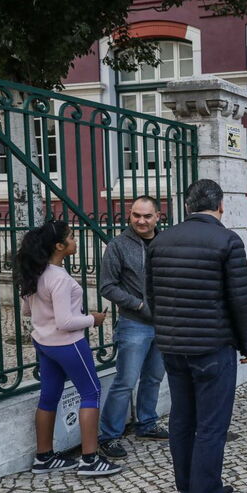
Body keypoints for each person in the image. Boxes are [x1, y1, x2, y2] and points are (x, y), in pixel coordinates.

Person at [147, 179, 247, 493]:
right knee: (211, 427)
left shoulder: (161, 240)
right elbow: (240, 299)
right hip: (212, 346)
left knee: (183, 420)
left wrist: (166, 332)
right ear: (220, 206)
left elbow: (152, 294)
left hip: (173, 345)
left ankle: (191, 491)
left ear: (187, 204)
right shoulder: (227, 240)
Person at [16, 220, 121, 478]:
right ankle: (90, 459)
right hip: (68, 344)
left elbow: (27, 310)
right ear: (60, 246)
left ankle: (43, 457)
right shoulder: (59, 278)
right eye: (72, 237)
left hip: (44, 343)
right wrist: (92, 319)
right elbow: (64, 322)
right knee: (91, 392)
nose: (75, 241)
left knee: (49, 395)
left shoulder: (36, 272)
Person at [97, 196, 168, 459]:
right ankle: (109, 436)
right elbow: (107, 286)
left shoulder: (165, 242)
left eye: (147, 216)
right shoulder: (117, 245)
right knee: (125, 382)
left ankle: (147, 424)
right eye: (136, 215)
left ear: (157, 216)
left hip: (163, 323)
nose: (140, 220)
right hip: (134, 323)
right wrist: (138, 305)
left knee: (154, 378)